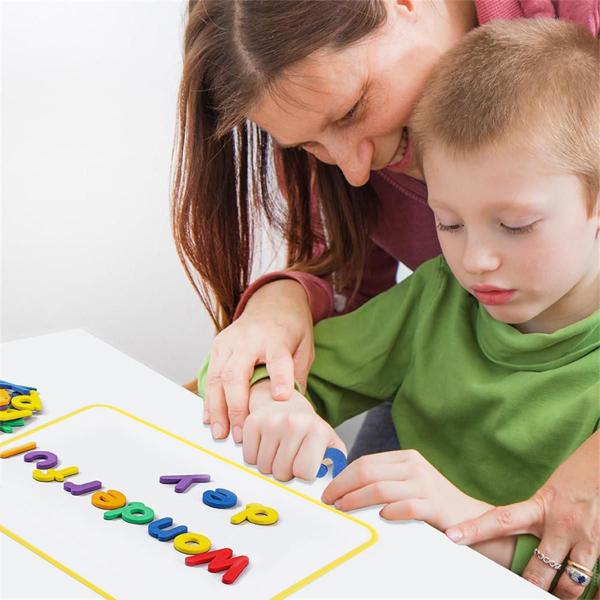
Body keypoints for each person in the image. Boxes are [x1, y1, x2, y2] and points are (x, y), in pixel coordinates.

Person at [173, 1, 599, 595]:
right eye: (446, 223)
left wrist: (469, 526)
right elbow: (335, 297)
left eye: (516, 224)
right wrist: (276, 394)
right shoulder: (437, 299)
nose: (351, 170)